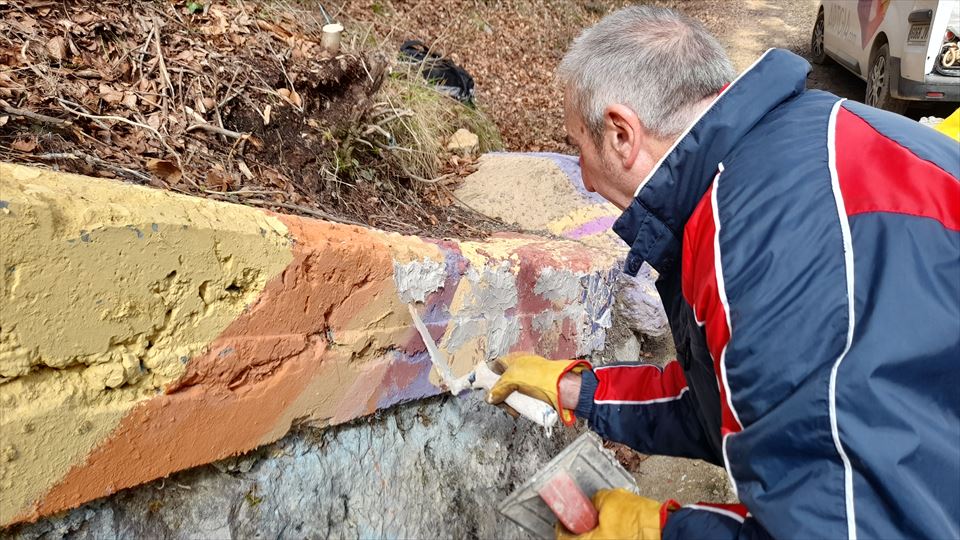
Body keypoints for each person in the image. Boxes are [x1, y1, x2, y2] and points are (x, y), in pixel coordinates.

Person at [488, 6, 960, 540]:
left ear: (621, 133)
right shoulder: (806, 137)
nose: (587, 182)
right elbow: (734, 402)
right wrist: (581, 391)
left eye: (579, 148)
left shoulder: (753, 246)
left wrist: (659, 531)